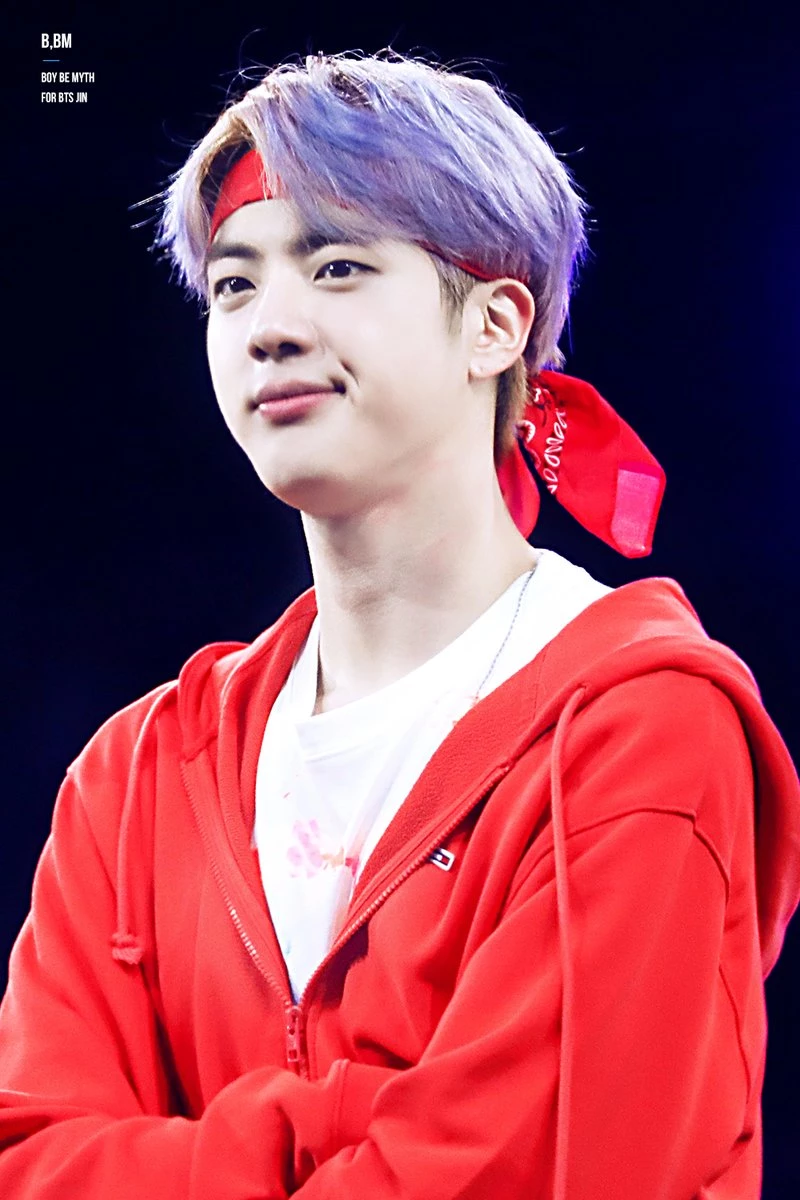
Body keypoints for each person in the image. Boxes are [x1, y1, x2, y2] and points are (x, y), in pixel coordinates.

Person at [1, 49, 798, 1199]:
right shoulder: (132, 782)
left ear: (493, 326)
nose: (268, 327)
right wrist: (348, 1117)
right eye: (233, 285)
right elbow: (26, 1163)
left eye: (336, 267)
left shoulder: (636, 732)